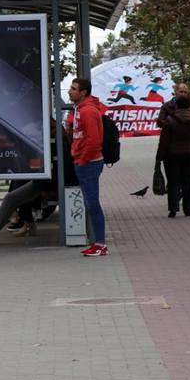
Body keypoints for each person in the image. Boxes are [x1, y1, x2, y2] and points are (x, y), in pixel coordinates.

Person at [67, 77, 109, 257]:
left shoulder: (88, 111)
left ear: (83, 92)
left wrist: (82, 159)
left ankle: (100, 244)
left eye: (74, 88)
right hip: (86, 161)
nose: (70, 91)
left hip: (89, 163)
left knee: (92, 204)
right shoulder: (81, 109)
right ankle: (98, 243)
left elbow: (93, 140)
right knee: (90, 203)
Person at [158, 94, 190, 217]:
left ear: (176, 106)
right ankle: (188, 209)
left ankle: (173, 209)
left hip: (172, 154)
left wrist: (159, 157)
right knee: (187, 181)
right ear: (188, 106)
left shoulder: (169, 120)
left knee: (173, 181)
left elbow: (164, 141)